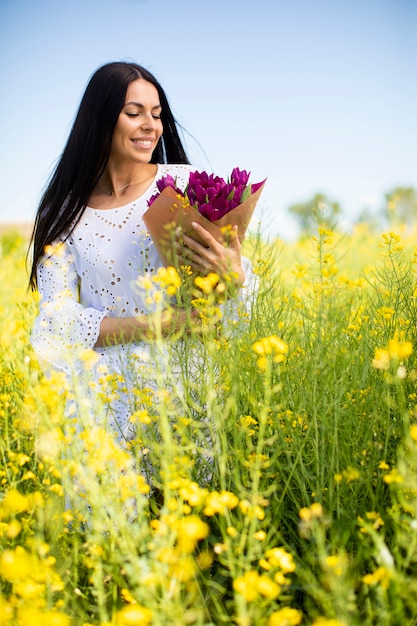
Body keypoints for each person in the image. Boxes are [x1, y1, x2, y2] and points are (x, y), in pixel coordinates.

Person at [29, 61, 257, 457]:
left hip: (185, 396)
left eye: (157, 115)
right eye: (134, 113)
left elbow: (232, 311)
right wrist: (165, 324)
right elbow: (57, 322)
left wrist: (234, 274)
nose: (150, 125)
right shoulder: (62, 213)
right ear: (100, 119)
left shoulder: (186, 185)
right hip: (103, 409)